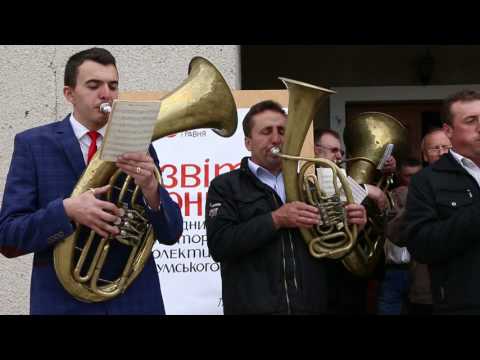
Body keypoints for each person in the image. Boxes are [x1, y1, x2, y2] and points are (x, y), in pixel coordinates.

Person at [0, 47, 183, 315]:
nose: (106, 94)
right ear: (69, 94)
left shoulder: (138, 145)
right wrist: (67, 211)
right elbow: (8, 237)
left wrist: (152, 191)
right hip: (63, 304)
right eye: (94, 85)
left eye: (113, 85)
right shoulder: (33, 145)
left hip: (135, 302)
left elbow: (171, 233)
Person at [205, 100, 367, 314]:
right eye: (266, 131)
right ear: (248, 142)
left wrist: (353, 226)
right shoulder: (225, 186)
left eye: (282, 131)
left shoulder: (311, 184)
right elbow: (220, 245)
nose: (276, 138)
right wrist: (276, 219)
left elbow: (331, 250)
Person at [406, 90, 480, 314]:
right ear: (448, 131)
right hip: (463, 305)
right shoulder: (426, 180)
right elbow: (422, 247)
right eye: (471, 121)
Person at [314, 128, 396, 314]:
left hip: (353, 274)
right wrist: (365, 188)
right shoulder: (309, 180)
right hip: (326, 274)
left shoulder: (344, 180)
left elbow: (379, 215)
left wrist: (386, 174)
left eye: (341, 152)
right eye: (334, 151)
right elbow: (327, 206)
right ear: (316, 151)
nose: (340, 156)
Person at [376, 158, 422, 315]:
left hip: (421, 270)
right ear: (400, 176)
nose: (414, 180)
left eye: (418, 176)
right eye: (409, 176)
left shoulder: (428, 196)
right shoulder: (387, 196)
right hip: (394, 269)